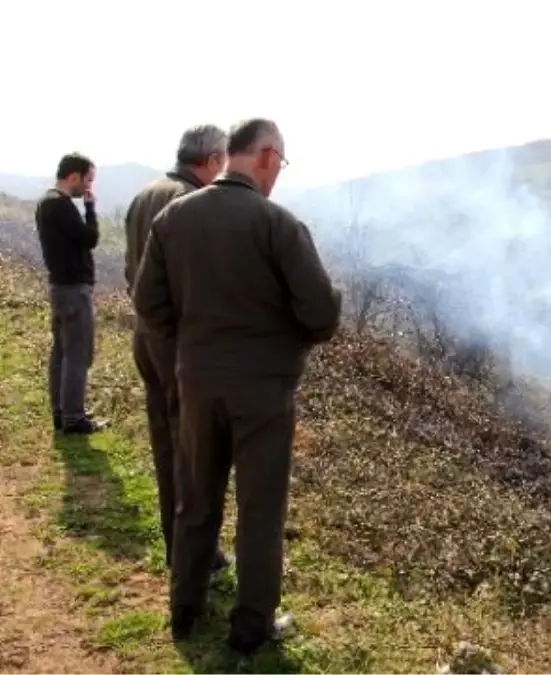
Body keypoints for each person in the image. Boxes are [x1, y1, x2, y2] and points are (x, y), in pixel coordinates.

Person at [132, 118, 342, 654]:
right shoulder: (279, 225)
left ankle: (184, 610)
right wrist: (282, 342)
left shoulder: (174, 217)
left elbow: (148, 306)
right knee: (260, 509)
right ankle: (251, 626)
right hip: (264, 391)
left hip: (197, 383)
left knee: (195, 499)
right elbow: (321, 315)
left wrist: (194, 348)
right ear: (267, 156)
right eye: (281, 163)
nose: (279, 175)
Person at [124, 124, 232, 578]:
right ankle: (193, 554)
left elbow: (136, 270)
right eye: (222, 161)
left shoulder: (145, 192)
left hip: (145, 336)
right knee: (192, 450)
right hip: (177, 343)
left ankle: (179, 545)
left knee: (166, 443)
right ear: (209, 161)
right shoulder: (189, 205)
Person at [35, 153, 107, 435]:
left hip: (58, 287)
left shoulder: (45, 203)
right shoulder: (61, 206)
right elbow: (90, 238)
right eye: (87, 180)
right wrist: (90, 208)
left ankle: (61, 412)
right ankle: (74, 418)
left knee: (61, 353)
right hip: (74, 289)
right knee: (78, 353)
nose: (88, 188)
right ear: (73, 176)